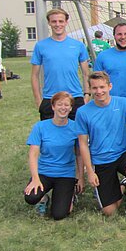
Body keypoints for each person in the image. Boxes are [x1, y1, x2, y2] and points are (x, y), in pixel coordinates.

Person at [77, 71, 126, 221]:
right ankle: (124, 186)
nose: (99, 91)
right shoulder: (83, 112)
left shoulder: (123, 103)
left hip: (123, 153)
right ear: (90, 89)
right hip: (101, 160)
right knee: (110, 211)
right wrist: (89, 171)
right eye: (95, 88)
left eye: (102, 87)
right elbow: (83, 144)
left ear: (110, 86)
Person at [24, 91, 83, 220]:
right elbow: (33, 155)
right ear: (53, 107)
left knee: (59, 214)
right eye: (59, 104)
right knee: (31, 197)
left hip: (65, 174)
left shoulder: (76, 128)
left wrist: (79, 178)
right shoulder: (40, 127)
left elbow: (79, 154)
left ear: (71, 108)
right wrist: (35, 179)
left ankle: (70, 195)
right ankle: (43, 198)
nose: (63, 108)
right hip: (44, 172)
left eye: (67, 105)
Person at [31, 8, 91, 120]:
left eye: (61, 21)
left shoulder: (78, 45)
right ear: (49, 23)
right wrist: (38, 100)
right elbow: (34, 75)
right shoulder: (41, 46)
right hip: (50, 98)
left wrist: (86, 96)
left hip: (75, 97)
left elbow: (86, 73)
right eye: (54, 21)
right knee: (51, 136)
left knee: (78, 135)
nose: (57, 24)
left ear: (66, 22)